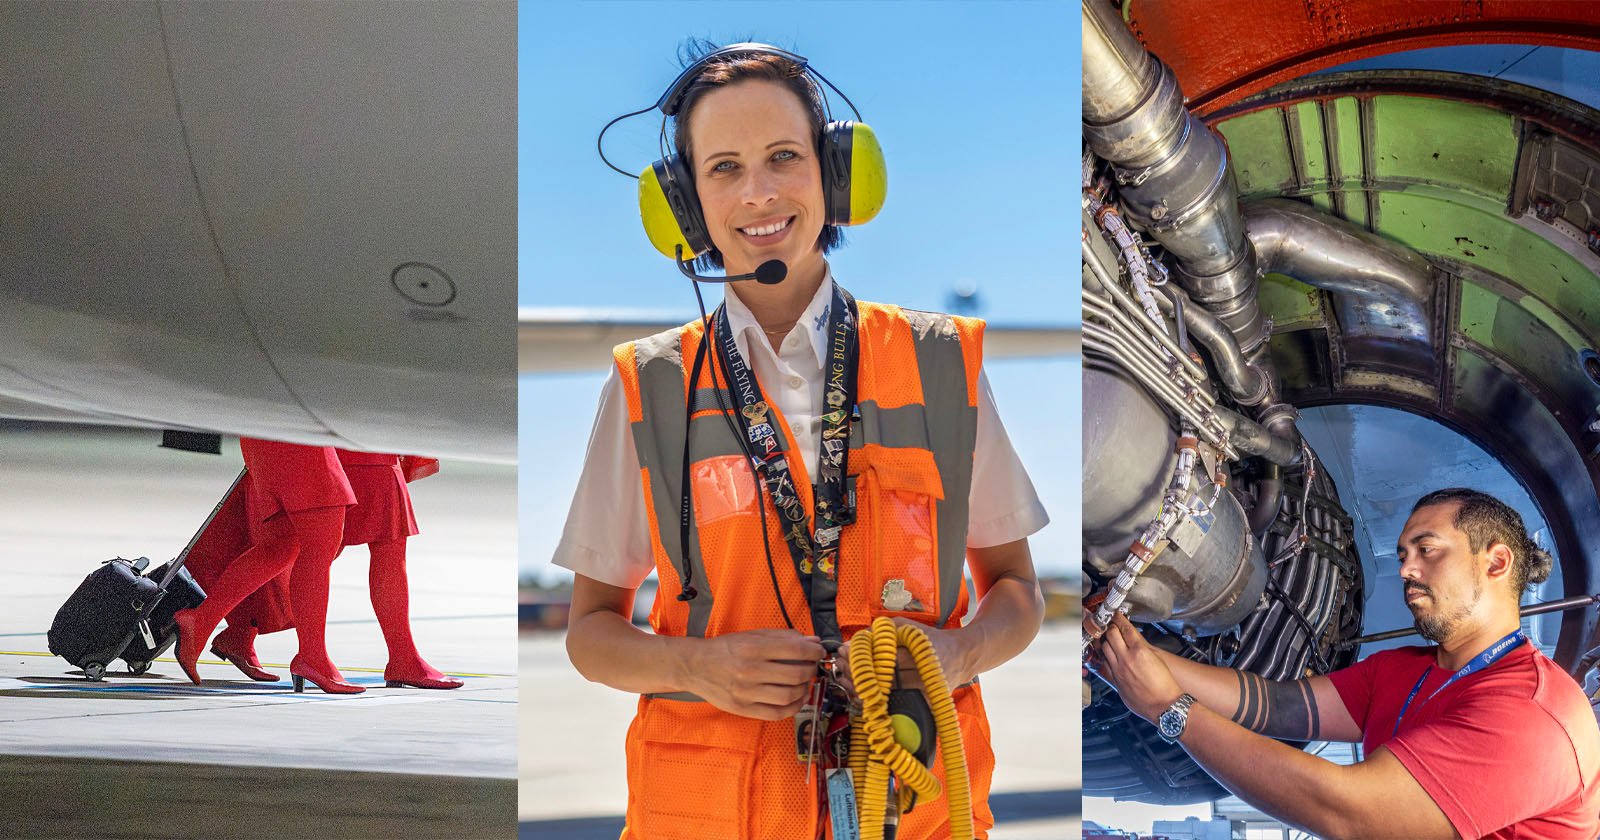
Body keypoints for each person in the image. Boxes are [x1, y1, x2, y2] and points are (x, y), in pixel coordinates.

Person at [558, 43, 1048, 839]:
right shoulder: (648, 386)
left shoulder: (940, 365)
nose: (758, 193)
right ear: (684, 205)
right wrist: (697, 667)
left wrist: (956, 655)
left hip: (910, 807)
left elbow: (1018, 591)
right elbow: (591, 632)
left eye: (784, 156)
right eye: (723, 168)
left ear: (835, 176)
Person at [1090, 488, 1600, 839]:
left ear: (1495, 562)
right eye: (1402, 553)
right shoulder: (1404, 669)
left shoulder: (1536, 715)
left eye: (1427, 549)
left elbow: (1351, 815)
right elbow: (1278, 706)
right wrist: (1134, 655)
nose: (1405, 568)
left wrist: (1167, 708)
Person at [202, 450, 462, 690]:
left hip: (361, 435)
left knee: (369, 541)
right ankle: (242, 626)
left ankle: (402, 656)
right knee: (314, 547)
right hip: (344, 432)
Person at [174, 439, 361, 693]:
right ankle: (312, 656)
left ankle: (201, 621)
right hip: (299, 433)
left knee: (279, 546)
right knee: (321, 541)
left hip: (267, 436)